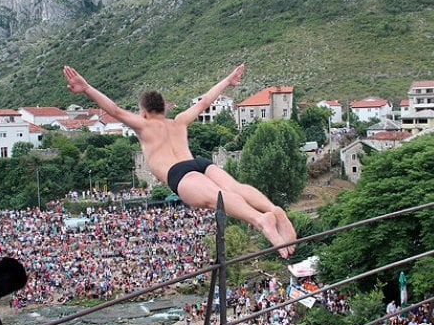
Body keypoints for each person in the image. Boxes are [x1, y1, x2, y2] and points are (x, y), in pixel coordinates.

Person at [62, 63, 297, 257]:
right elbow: (205, 102)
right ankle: (273, 209)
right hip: (199, 162)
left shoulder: (143, 125)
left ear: (143, 111)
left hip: (179, 173)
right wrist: (227, 81)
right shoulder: (179, 121)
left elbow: (113, 109)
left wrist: (87, 88)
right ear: (163, 109)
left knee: (217, 199)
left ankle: (260, 220)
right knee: (234, 187)